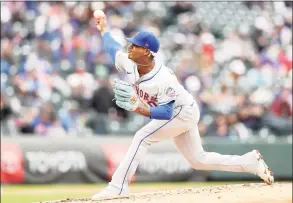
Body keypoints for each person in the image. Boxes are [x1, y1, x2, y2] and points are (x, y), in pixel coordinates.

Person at [91, 12, 274, 200]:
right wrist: (104, 29)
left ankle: (118, 186)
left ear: (146, 51)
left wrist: (136, 107)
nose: (130, 47)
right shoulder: (131, 63)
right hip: (181, 112)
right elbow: (114, 49)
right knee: (198, 160)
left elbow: (165, 112)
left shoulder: (163, 78)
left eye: (135, 45)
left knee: (141, 137)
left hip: (182, 112)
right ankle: (250, 162)